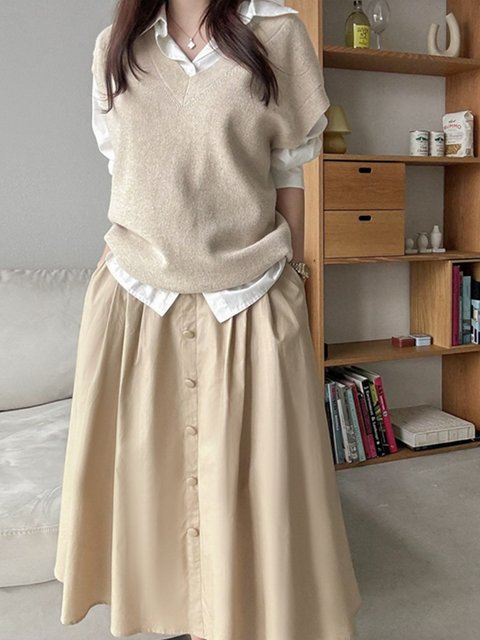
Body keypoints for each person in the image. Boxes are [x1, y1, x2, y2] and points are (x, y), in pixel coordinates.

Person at [54, 1, 362, 639]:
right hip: (136, 298)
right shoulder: (116, 44)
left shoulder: (279, 33)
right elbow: (122, 167)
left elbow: (289, 175)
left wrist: (294, 281)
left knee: (258, 493)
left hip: (250, 296)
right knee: (149, 490)